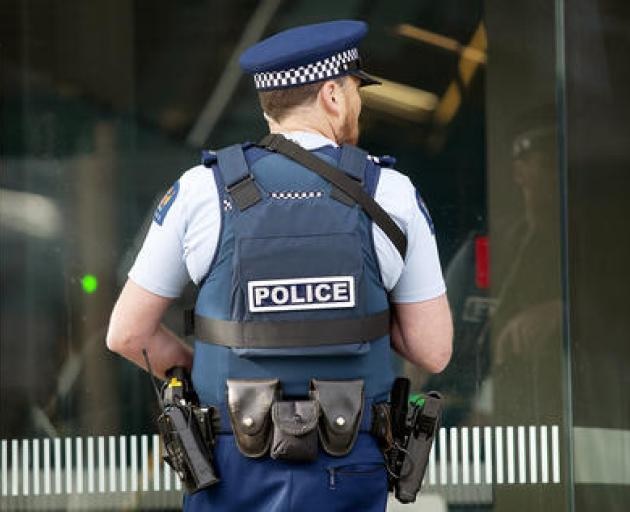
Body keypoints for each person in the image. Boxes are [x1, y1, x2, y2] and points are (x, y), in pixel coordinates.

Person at [107, 19, 452, 512]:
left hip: (228, 466)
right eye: (355, 91)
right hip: (350, 462)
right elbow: (433, 350)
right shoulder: (392, 194)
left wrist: (205, 372)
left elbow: (126, 335)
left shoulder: (200, 192)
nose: (357, 104)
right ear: (333, 95)